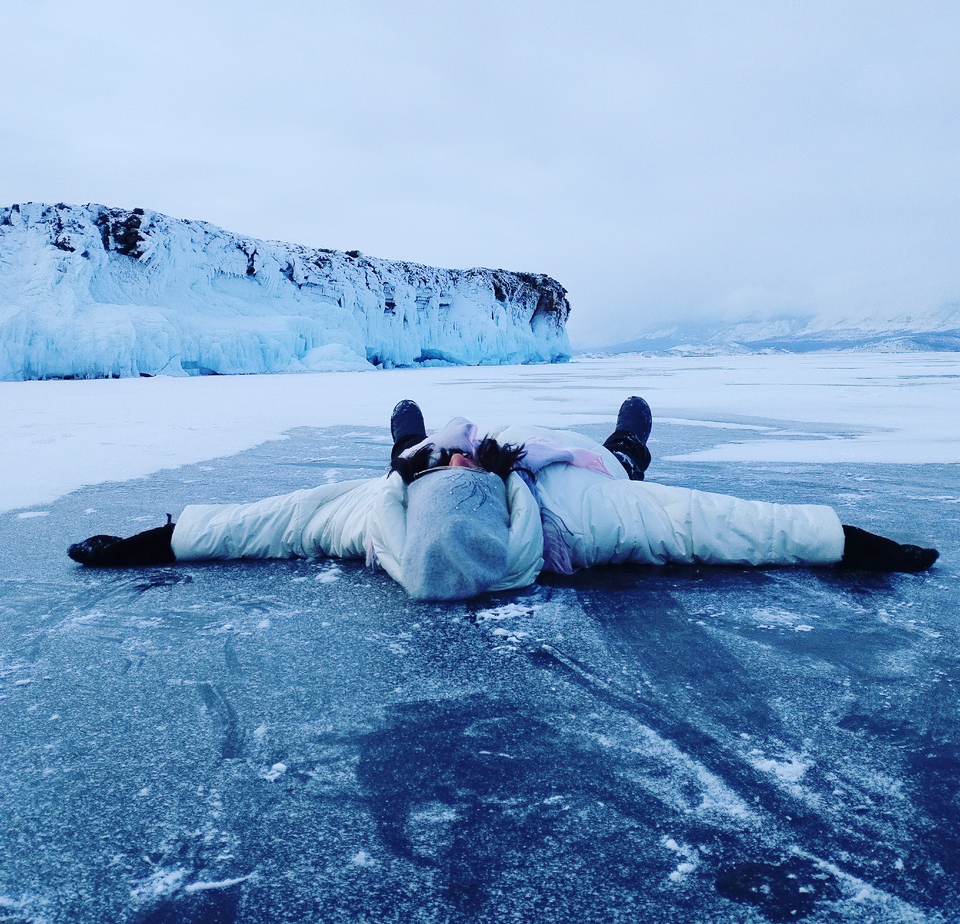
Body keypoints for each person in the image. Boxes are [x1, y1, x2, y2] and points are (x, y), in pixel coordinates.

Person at [68, 397, 939, 598]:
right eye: (457, 462)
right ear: (488, 482)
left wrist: (144, 541)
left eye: (436, 462)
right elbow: (729, 525)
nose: (455, 456)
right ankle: (633, 434)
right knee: (626, 463)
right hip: (580, 478)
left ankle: (395, 433)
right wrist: (864, 544)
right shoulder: (576, 520)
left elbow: (261, 523)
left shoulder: (377, 522)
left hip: (416, 486)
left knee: (397, 449)